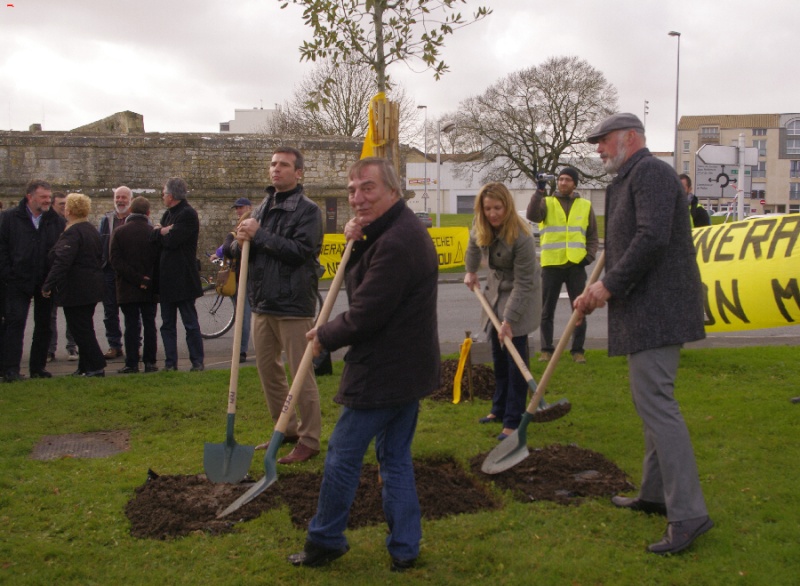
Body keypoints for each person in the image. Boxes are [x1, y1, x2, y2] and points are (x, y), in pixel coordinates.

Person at [288, 157, 439, 571]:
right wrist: (358, 239)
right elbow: (360, 282)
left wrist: (324, 337)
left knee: (341, 455)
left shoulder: (398, 241)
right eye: (353, 189)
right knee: (394, 457)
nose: (358, 197)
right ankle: (405, 549)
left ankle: (326, 539)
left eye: (367, 188)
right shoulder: (393, 231)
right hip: (405, 367)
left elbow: (367, 311)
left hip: (385, 370)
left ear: (393, 190)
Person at [575, 112, 713, 555]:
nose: (598, 149)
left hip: (659, 311)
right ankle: (655, 494)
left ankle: (689, 514)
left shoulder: (650, 172)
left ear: (630, 137)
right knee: (649, 403)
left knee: (658, 406)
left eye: (603, 140)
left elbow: (652, 238)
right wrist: (600, 283)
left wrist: (609, 285)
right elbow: (632, 240)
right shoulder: (633, 177)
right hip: (648, 311)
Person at [234, 147, 323, 464]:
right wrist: (240, 238)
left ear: (298, 172)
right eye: (272, 164)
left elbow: (301, 251)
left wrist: (259, 235)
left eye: (284, 165)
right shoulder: (262, 206)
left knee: (301, 374)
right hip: (262, 302)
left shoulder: (308, 210)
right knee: (268, 371)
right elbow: (241, 245)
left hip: (292, 304)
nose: (276, 169)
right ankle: (285, 429)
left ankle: (310, 439)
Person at [465, 182, 541, 441]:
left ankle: (513, 419)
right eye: (488, 208)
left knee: (515, 360)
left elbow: (524, 283)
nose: (493, 213)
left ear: (506, 206)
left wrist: (509, 320)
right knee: (498, 356)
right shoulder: (480, 225)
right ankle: (498, 410)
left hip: (521, 292)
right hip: (495, 290)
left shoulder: (522, 236)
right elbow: (473, 248)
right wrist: (471, 271)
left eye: (497, 207)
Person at [527, 167, 598, 364]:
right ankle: (546, 349)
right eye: (560, 179)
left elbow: (592, 235)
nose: (563, 183)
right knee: (546, 310)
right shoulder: (547, 202)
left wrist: (588, 257)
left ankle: (577, 350)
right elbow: (532, 216)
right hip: (552, 264)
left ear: (575, 183)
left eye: (567, 179)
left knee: (580, 310)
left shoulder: (585, 205)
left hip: (576, 265)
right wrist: (538, 191)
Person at [0, 179, 65, 381]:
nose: (48, 201)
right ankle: (10, 368)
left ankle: (38, 367)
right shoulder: (10, 218)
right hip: (17, 280)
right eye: (43, 197)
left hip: (45, 281)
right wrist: (8, 273)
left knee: (44, 324)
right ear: (30, 197)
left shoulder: (55, 221)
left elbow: (60, 249)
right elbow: (2, 248)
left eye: (49, 197)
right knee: (15, 323)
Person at [42, 194, 106, 377]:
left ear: (69, 210)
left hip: (77, 288)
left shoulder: (73, 232)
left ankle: (95, 365)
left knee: (80, 329)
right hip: (91, 287)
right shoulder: (90, 230)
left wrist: (48, 284)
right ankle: (85, 366)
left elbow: (62, 261)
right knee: (84, 326)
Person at [151, 177, 205, 372]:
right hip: (166, 279)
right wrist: (162, 231)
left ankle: (197, 361)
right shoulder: (168, 215)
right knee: (167, 324)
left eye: (164, 193)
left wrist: (162, 233)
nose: (162, 197)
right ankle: (170, 363)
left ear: (171, 196)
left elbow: (172, 242)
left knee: (190, 323)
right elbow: (156, 239)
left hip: (183, 277)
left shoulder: (187, 214)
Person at [110, 196, 159, 374]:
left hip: (127, 286)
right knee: (149, 324)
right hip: (149, 286)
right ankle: (150, 362)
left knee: (131, 325)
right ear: (148, 213)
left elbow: (115, 261)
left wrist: (136, 279)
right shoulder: (153, 232)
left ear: (130, 211)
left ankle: (131, 363)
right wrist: (146, 280)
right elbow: (158, 261)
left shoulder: (120, 232)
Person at [99, 186, 133, 360]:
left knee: (131, 311)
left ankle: (133, 346)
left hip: (128, 273)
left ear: (130, 200)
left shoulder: (136, 220)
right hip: (109, 271)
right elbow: (100, 242)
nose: (120, 200)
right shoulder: (106, 220)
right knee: (109, 311)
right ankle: (114, 345)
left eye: (124, 198)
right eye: (118, 197)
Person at [47, 191, 79, 362]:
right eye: (61, 204)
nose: (65, 208)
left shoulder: (72, 226)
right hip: (53, 273)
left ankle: (72, 348)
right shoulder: (48, 225)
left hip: (69, 276)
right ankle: (50, 349)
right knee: (50, 315)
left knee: (71, 314)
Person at [220, 197, 252, 363]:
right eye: (237, 208)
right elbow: (226, 249)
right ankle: (240, 350)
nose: (238, 210)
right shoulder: (233, 234)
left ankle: (241, 351)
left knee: (244, 316)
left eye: (241, 208)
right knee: (243, 315)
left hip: (250, 280)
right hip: (239, 279)